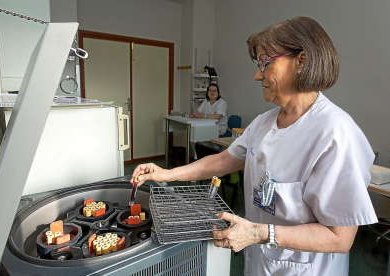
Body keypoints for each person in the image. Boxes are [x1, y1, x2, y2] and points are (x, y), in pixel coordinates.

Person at [131, 16, 377, 276]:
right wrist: (166, 174)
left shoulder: (336, 134)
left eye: (265, 62)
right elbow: (225, 160)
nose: (257, 74)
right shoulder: (264, 122)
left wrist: (258, 233)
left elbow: (339, 238)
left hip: (304, 269)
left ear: (301, 61)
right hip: (261, 262)